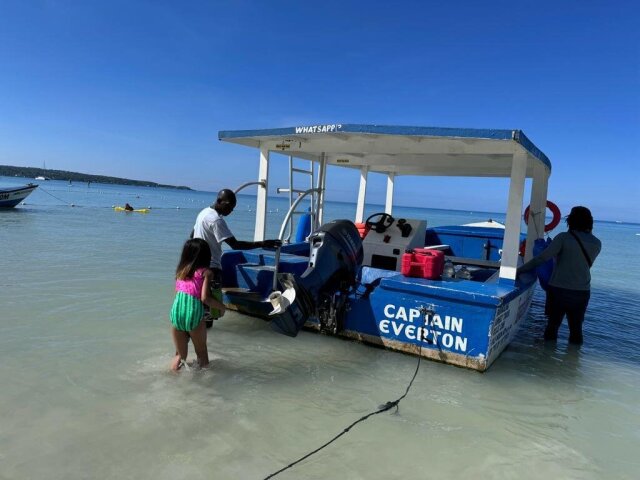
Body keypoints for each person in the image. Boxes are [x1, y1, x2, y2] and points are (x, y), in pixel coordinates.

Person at [192, 189, 281, 327]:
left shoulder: (203, 213)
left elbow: (192, 235)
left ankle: (202, 340)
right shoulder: (216, 220)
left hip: (198, 266)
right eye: (228, 206)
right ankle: (206, 344)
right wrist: (264, 243)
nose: (230, 211)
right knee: (209, 313)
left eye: (232, 208)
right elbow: (235, 244)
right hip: (211, 269)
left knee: (201, 308)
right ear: (219, 201)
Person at [518, 206, 601, 344]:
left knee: (552, 327)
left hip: (558, 290)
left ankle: (548, 359)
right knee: (576, 330)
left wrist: (520, 270)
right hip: (582, 292)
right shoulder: (597, 243)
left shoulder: (563, 238)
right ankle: (574, 362)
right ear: (590, 223)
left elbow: (541, 259)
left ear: (571, 221)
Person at [169, 238, 226, 371]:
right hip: (193, 314)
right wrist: (222, 307)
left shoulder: (180, 272)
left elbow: (177, 294)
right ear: (206, 256)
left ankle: (172, 382)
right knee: (202, 354)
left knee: (180, 356)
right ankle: (204, 387)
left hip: (176, 314)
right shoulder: (206, 273)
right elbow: (205, 298)